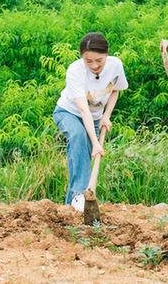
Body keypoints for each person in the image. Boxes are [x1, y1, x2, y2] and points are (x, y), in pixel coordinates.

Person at [53, 32, 128, 212]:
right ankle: (79, 194)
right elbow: (83, 110)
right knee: (78, 136)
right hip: (68, 112)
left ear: (107, 55)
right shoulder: (75, 71)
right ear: (82, 58)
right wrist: (95, 143)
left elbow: (115, 90)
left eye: (99, 61)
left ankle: (71, 204)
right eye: (89, 61)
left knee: (81, 159)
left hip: (95, 117)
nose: (94, 66)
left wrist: (106, 116)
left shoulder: (115, 65)